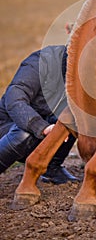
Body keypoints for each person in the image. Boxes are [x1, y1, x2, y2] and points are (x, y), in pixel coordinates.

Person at [0, 44, 78, 184]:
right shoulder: (42, 61)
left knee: (75, 117)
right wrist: (42, 127)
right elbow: (14, 99)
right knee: (24, 134)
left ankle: (51, 167)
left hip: (45, 129)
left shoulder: (84, 74)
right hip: (8, 128)